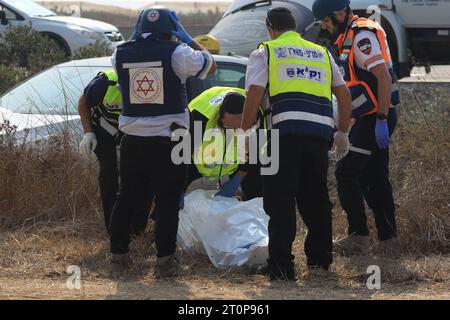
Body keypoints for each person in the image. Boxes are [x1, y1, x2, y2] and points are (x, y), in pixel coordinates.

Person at [241, 7, 352, 280]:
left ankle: (281, 267)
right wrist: (342, 133)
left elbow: (255, 92)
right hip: (319, 135)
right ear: (294, 26)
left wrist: (244, 132)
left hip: (283, 133)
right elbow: (344, 93)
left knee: (280, 200)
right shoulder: (322, 53)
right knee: (315, 199)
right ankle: (320, 263)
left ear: (271, 28)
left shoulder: (265, 51)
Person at [108, 7, 216, 277]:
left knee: (126, 199)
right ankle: (165, 261)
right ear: (172, 29)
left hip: (132, 141)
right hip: (170, 141)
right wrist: (188, 38)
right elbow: (210, 65)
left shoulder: (118, 53)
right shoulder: (178, 53)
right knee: (168, 202)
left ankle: (118, 257)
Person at [312, 0, 401, 256]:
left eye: (327, 21)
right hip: (369, 119)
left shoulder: (362, 36)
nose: (326, 27)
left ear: (340, 13)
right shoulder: (347, 39)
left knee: (346, 173)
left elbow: (383, 77)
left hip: (376, 119)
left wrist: (382, 119)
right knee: (374, 177)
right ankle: (389, 240)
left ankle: (358, 237)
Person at [78, 70, 151, 236]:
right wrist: (88, 133)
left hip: (131, 131)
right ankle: (113, 226)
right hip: (103, 128)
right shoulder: (103, 84)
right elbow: (83, 103)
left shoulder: (148, 89)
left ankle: (136, 229)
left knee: (141, 173)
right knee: (109, 168)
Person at [186, 86, 265, 200]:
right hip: (199, 159)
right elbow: (183, 158)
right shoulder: (199, 119)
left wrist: (236, 181)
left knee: (256, 186)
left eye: (237, 129)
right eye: (228, 127)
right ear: (220, 117)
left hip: (234, 160)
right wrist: (176, 189)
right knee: (176, 185)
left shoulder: (255, 119)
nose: (232, 132)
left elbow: (254, 155)